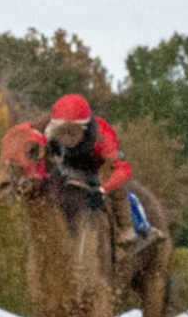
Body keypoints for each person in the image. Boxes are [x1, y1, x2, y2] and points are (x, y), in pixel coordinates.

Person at [44, 93, 165, 251]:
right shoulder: (50, 134)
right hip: (69, 166)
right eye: (62, 131)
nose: (66, 138)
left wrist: (103, 189)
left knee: (116, 184)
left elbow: (123, 169)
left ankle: (129, 229)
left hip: (97, 165)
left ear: (85, 129)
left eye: (72, 132)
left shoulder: (103, 138)